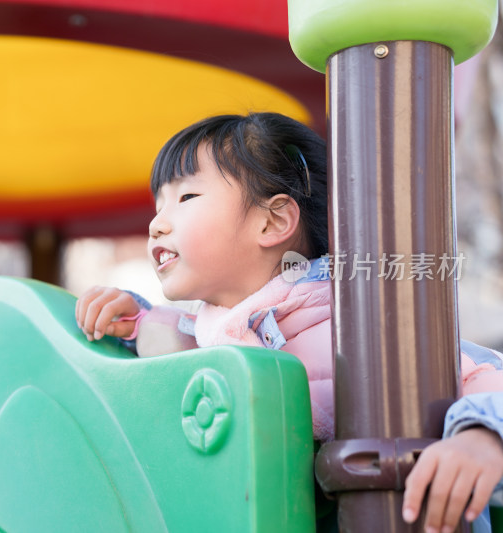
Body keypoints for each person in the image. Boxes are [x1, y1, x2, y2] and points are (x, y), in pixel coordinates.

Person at [75, 113, 503, 532]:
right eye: (158, 204)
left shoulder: (352, 321)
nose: (156, 224)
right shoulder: (207, 333)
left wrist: (482, 438)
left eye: (186, 198)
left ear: (273, 221)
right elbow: (169, 344)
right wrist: (130, 320)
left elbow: (481, 375)